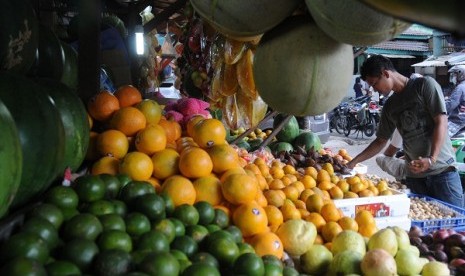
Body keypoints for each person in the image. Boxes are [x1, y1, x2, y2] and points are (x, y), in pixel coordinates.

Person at [347, 55, 463, 207]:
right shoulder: (390, 106)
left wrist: (431, 159)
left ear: (385, 73)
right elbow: (380, 141)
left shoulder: (424, 85)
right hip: (415, 177)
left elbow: (441, 121)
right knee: (422, 228)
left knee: (455, 225)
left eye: (374, 84)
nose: (374, 89)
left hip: (442, 173)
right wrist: (352, 163)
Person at [445, 65, 465, 138]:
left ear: (461, 74)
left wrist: (439, 108)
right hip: (462, 119)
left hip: (458, 120)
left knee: (441, 135)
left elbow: (451, 104)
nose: (453, 77)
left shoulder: (460, 87)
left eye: (455, 74)